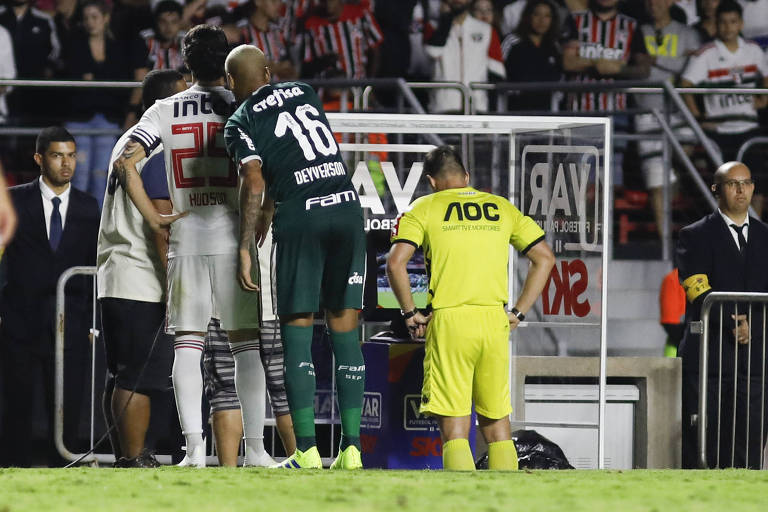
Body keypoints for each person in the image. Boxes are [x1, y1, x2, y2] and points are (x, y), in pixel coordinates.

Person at [113, 25, 269, 468]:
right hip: (233, 237)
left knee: (188, 344)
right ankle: (255, 449)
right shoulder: (243, 105)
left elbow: (126, 160)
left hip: (186, 238)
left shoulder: (165, 108)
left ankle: (194, 450)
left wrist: (152, 215)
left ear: (185, 65)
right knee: (245, 345)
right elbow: (265, 170)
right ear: (227, 63)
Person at [224, 44, 367, 470]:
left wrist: (246, 245)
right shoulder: (304, 91)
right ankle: (353, 449)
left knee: (297, 331)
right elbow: (295, 154)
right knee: (346, 330)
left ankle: (306, 450)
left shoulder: (239, 121)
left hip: (302, 219)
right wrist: (271, 206)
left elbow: (254, 177)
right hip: (345, 208)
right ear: (268, 72)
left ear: (231, 83)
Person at [386, 145, 555, 471]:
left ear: (432, 182)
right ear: (466, 177)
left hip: (450, 321)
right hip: (494, 321)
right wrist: (517, 313)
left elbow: (395, 264)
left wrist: (410, 313)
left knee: (455, 430)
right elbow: (544, 258)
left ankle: (462, 503)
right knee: (498, 427)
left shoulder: (424, 207)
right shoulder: (501, 207)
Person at [97, 69, 188, 468]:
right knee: (139, 376)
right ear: (169, 103)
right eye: (185, 97)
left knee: (122, 375)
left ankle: (126, 457)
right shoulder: (160, 144)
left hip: (117, 273)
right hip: (142, 277)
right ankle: (134, 459)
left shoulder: (130, 139)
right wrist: (174, 285)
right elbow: (162, 225)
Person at [0, 127, 100, 467]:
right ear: (39, 159)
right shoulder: (13, 201)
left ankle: (65, 473)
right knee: (16, 405)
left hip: (70, 323)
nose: (66, 163)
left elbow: (93, 269)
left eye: (71, 155)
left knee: (67, 407)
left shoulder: (89, 207)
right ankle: (13, 471)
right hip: (19, 322)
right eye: (58, 155)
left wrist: (90, 323)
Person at [677, 161, 768, 468]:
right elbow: (696, 287)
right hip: (710, 356)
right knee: (703, 439)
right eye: (732, 184)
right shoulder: (695, 235)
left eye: (746, 183)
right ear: (717, 189)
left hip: (755, 357)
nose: (741, 190)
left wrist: (751, 324)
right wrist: (735, 322)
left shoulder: (766, 237)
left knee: (751, 437)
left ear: (754, 188)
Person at [680, 0, 768, 215]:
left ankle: (753, 233)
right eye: (723, 22)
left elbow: (765, 76)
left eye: (732, 22)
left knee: (758, 186)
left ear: (741, 24)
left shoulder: (754, 50)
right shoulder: (706, 54)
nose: (728, 27)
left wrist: (763, 99)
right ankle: (732, 238)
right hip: (719, 132)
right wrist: (698, 116)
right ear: (716, 24)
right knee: (729, 190)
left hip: (748, 128)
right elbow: (685, 85)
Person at [635, 0, 701, 239]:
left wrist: (655, 62)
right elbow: (636, 67)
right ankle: (666, 243)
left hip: (679, 111)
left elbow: (691, 69)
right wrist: (673, 63)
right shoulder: (637, 31)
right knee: (655, 179)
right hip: (646, 112)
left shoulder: (688, 33)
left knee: (692, 160)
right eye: (650, 1)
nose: (654, 4)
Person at [64, 0, 137, 209]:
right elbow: (77, 78)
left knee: (101, 176)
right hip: (80, 118)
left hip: (108, 117)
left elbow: (118, 82)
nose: (90, 22)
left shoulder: (118, 47)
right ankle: (75, 224)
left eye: (94, 17)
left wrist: (93, 78)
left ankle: (95, 228)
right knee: (79, 174)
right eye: (86, 18)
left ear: (106, 19)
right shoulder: (74, 43)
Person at [425, 0, 506, 112]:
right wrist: (446, 19)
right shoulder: (433, 27)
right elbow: (433, 52)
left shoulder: (486, 29)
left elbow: (497, 73)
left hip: (477, 106)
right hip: (443, 106)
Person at [501, 0, 564, 111]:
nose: (542, 20)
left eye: (547, 16)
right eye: (537, 14)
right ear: (528, 16)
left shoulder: (555, 47)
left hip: (546, 112)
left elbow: (560, 80)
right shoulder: (512, 42)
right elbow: (498, 72)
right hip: (515, 110)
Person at [301, 0, 383, 80]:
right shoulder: (310, 23)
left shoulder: (361, 15)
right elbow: (306, 63)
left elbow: (375, 51)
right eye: (323, 1)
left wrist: (369, 84)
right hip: (325, 88)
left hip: (357, 84)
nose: (327, 4)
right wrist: (321, 62)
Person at [236, 0, 297, 81]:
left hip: (277, 91)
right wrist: (276, 67)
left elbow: (292, 70)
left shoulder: (278, 32)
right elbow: (239, 70)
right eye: (273, 1)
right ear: (258, 2)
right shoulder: (242, 33)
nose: (279, 5)